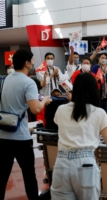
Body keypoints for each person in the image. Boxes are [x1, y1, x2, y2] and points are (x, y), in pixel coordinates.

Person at [50, 73, 107, 200]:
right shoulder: (99, 113)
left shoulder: (61, 110)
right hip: (85, 165)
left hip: (61, 164)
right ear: (93, 90)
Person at [0, 49, 52, 200]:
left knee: (2, 175)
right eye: (33, 60)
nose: (34, 63)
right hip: (21, 137)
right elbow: (35, 108)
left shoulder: (7, 79)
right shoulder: (28, 82)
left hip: (3, 135)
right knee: (29, 175)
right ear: (27, 63)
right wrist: (45, 101)